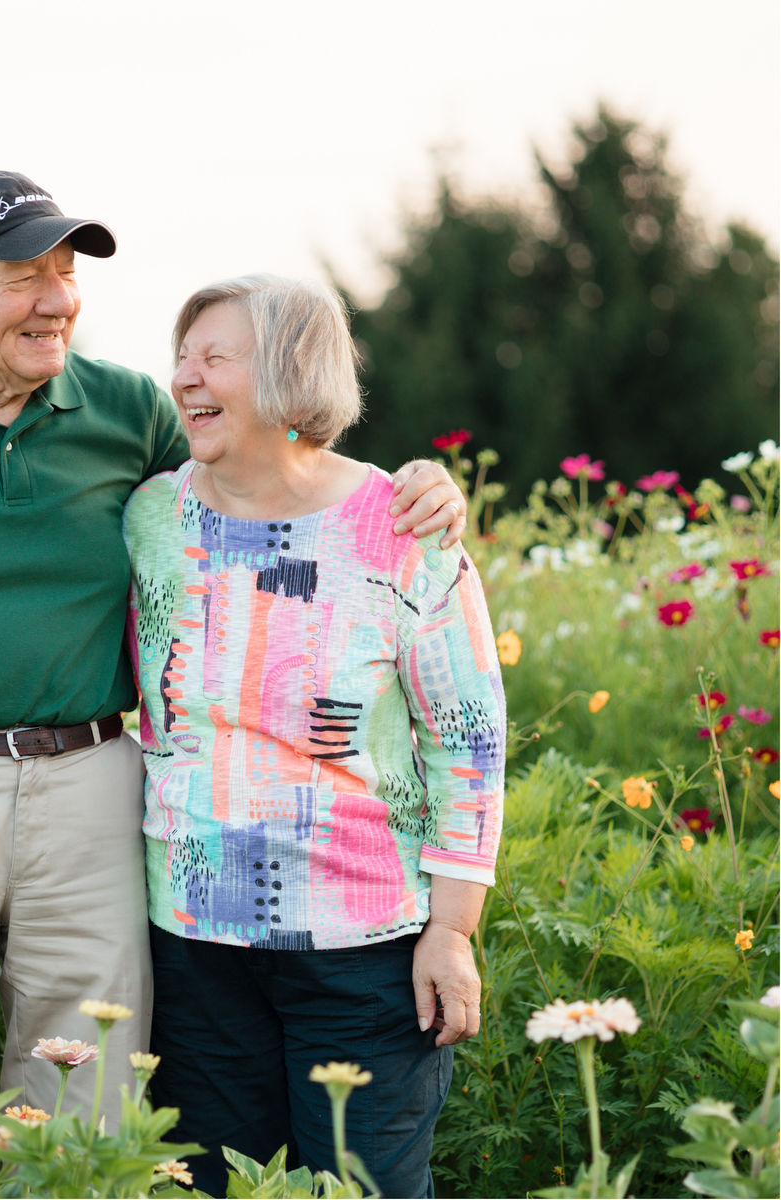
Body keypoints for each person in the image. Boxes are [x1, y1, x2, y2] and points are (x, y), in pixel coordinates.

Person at [0, 170, 470, 1134]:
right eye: (23, 275)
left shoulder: (127, 411)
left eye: (65, 270)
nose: (57, 297)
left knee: (85, 1102)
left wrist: (406, 486)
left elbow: (267, 481)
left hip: (97, 789)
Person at [123, 275, 505, 1196]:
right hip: (193, 940)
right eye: (183, 355)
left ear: (293, 372)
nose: (186, 377)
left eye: (217, 357)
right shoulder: (151, 518)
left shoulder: (402, 528)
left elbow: (468, 741)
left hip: (366, 950)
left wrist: (453, 929)